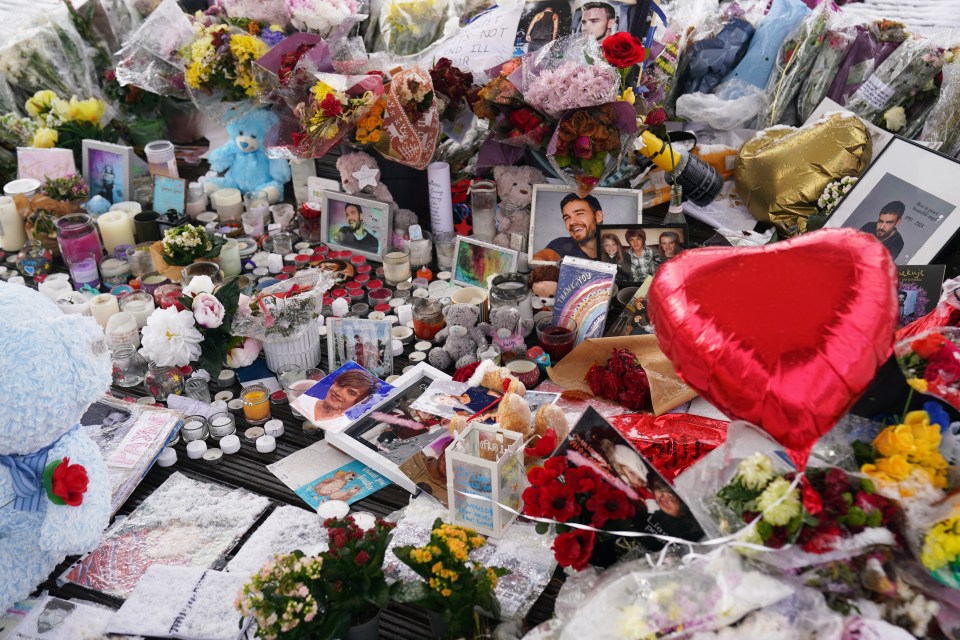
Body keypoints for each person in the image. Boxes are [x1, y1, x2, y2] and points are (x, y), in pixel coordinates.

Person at [301, 367, 380, 432]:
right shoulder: (303, 400)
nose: (339, 393)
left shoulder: (345, 427)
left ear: (361, 401)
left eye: (351, 393)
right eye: (340, 385)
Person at [534, 193, 605, 262]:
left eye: (579, 214)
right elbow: (540, 258)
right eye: (567, 218)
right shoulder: (560, 245)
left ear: (598, 216)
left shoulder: (613, 244)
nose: (571, 222)